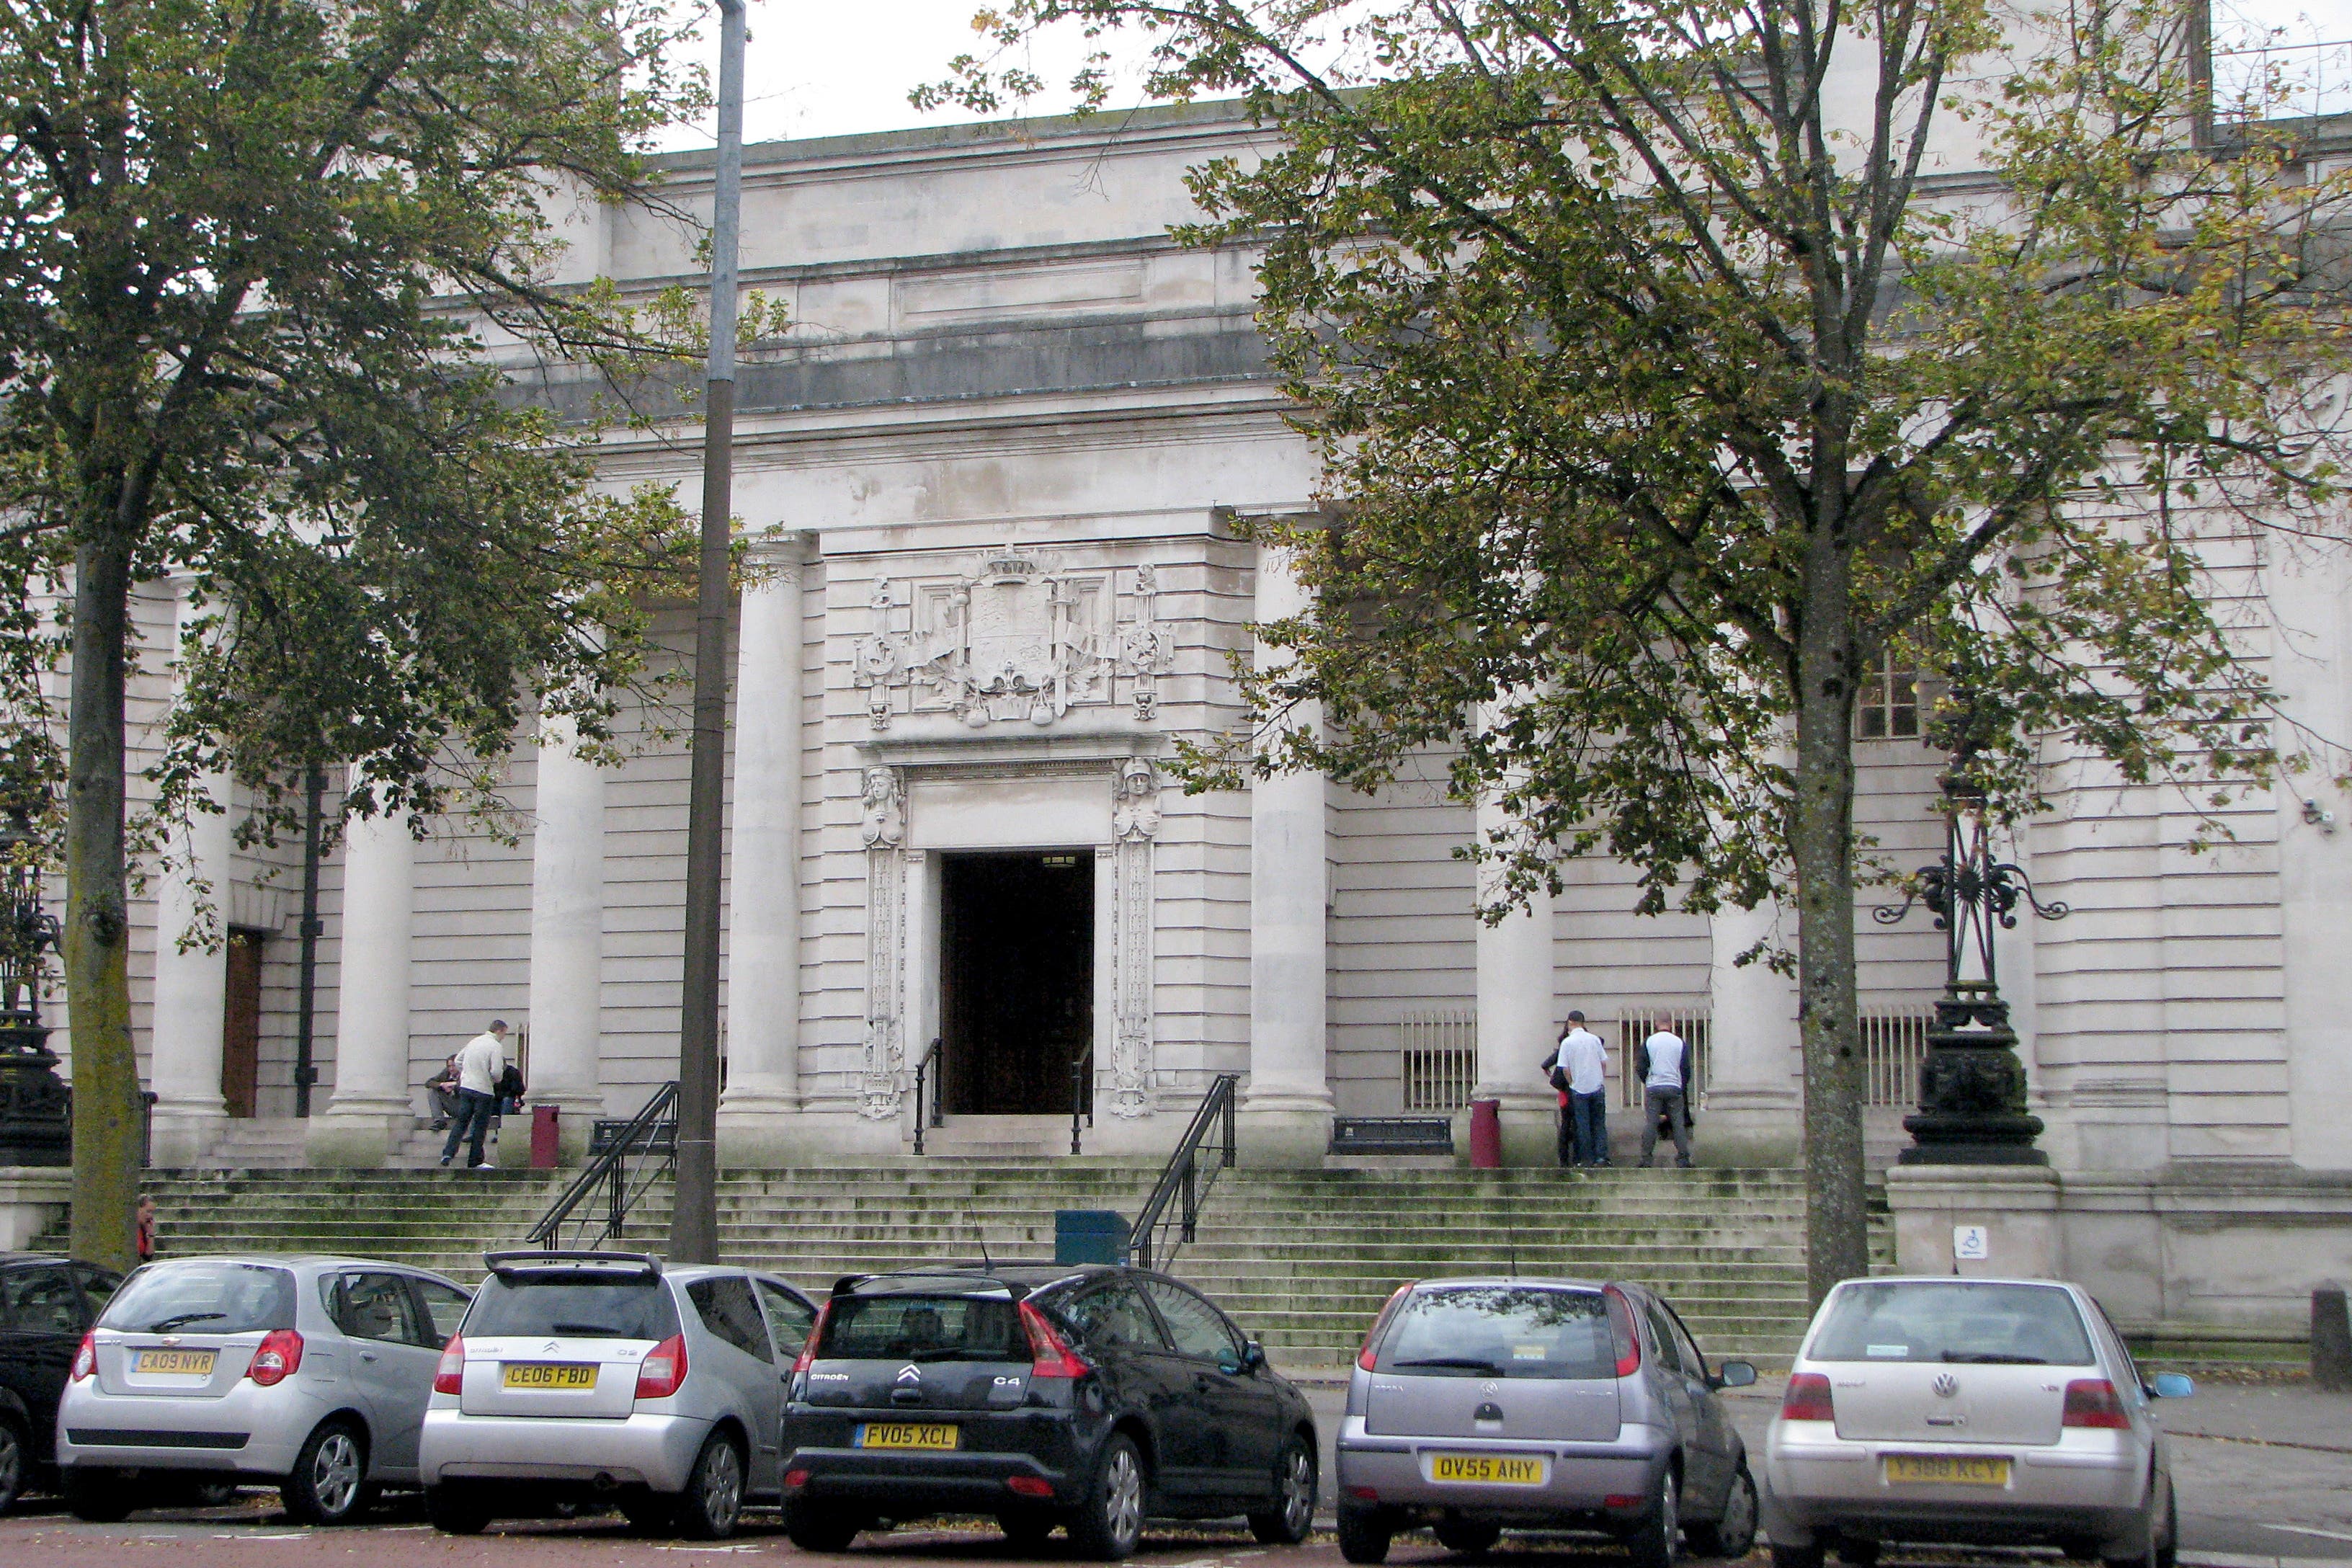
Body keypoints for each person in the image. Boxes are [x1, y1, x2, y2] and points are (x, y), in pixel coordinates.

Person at [440, 1020, 509, 1170]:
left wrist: (467, 1072)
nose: (504, 1036)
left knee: (462, 1122)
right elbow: (497, 1072)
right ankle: (475, 1160)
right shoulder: (495, 1046)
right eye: (504, 1033)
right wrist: (495, 1079)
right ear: (499, 1031)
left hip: (466, 1087)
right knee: (480, 1125)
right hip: (483, 1090)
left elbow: (458, 1060)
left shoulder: (474, 1041)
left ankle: (448, 1153)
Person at [1551, 1012, 1611, 1167]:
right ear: (1583, 1023)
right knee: (1599, 1123)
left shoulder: (1567, 1043)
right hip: (1597, 1087)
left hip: (1579, 1088)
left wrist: (1572, 1084)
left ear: (1570, 1022)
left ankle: (1586, 1159)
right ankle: (1601, 1157)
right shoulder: (1594, 1040)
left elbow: (1565, 1068)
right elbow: (1604, 1062)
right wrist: (1600, 1079)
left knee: (1582, 1124)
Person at [1638, 1025, 1694, 1168]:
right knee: (1678, 1123)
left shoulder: (1649, 1041)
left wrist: (1648, 1081)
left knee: (1651, 1122)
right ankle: (1683, 1158)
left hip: (1654, 1085)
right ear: (1670, 1025)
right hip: (1674, 1085)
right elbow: (1686, 1068)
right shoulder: (1679, 1042)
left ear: (1656, 1025)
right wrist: (1680, 1084)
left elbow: (1641, 1066)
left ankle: (1646, 1159)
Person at [426, 1054, 461, 1130]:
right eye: (449, 1066)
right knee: (432, 1091)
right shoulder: (447, 1073)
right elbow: (429, 1082)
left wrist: (454, 1086)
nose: (451, 1069)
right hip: (452, 1105)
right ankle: (439, 1121)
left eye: (454, 1066)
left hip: (466, 1107)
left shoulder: (466, 1073)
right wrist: (443, 1085)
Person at [135, 1195, 156, 1263]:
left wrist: (151, 1235)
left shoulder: (143, 1230)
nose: (150, 1216)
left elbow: (148, 1256)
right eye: (148, 1211)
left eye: (152, 1212)